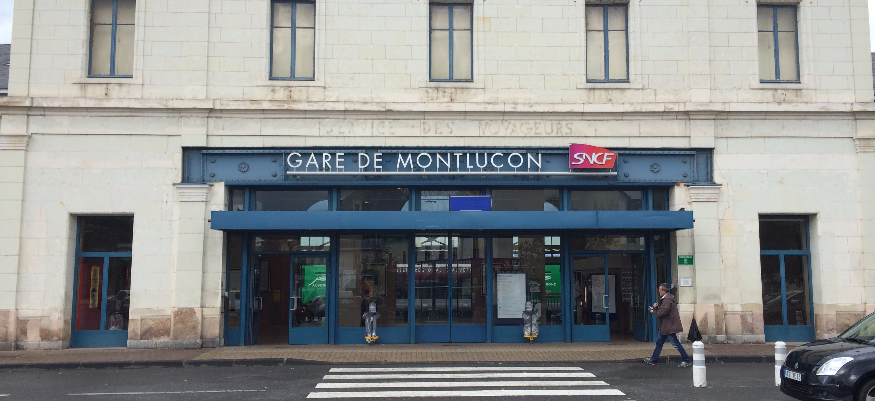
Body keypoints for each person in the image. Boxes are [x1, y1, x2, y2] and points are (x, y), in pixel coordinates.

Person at [644, 283, 692, 367]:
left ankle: (687, 360)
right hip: (665, 326)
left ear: (664, 291)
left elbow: (662, 312)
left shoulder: (667, 300)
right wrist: (657, 307)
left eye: (660, 290)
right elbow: (664, 310)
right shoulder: (667, 299)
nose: (659, 292)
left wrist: (653, 311)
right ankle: (653, 360)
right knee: (659, 343)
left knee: (676, 344)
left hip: (668, 327)